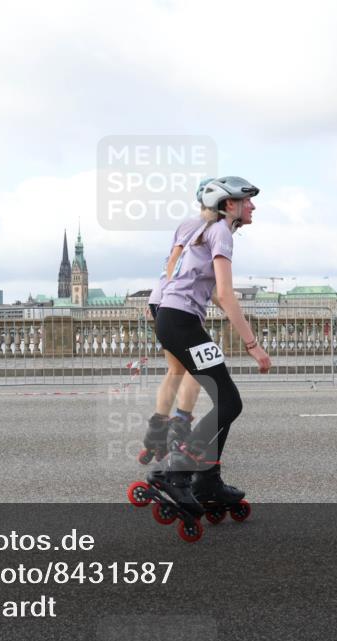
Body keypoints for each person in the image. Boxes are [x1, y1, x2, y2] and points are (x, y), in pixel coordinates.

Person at [147, 176, 271, 519]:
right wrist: (253, 344)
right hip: (181, 322)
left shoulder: (198, 229)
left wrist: (159, 305)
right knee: (230, 402)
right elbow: (228, 294)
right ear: (229, 205)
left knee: (225, 402)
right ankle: (177, 470)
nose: (253, 206)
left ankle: (207, 479)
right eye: (247, 200)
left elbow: (207, 290)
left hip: (174, 319)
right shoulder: (220, 232)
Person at [138, 177, 213, 465]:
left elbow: (171, 263)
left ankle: (156, 433)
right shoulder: (210, 231)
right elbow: (182, 269)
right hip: (176, 303)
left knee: (175, 369)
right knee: (199, 368)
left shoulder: (186, 226)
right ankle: (180, 432)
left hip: (160, 300)